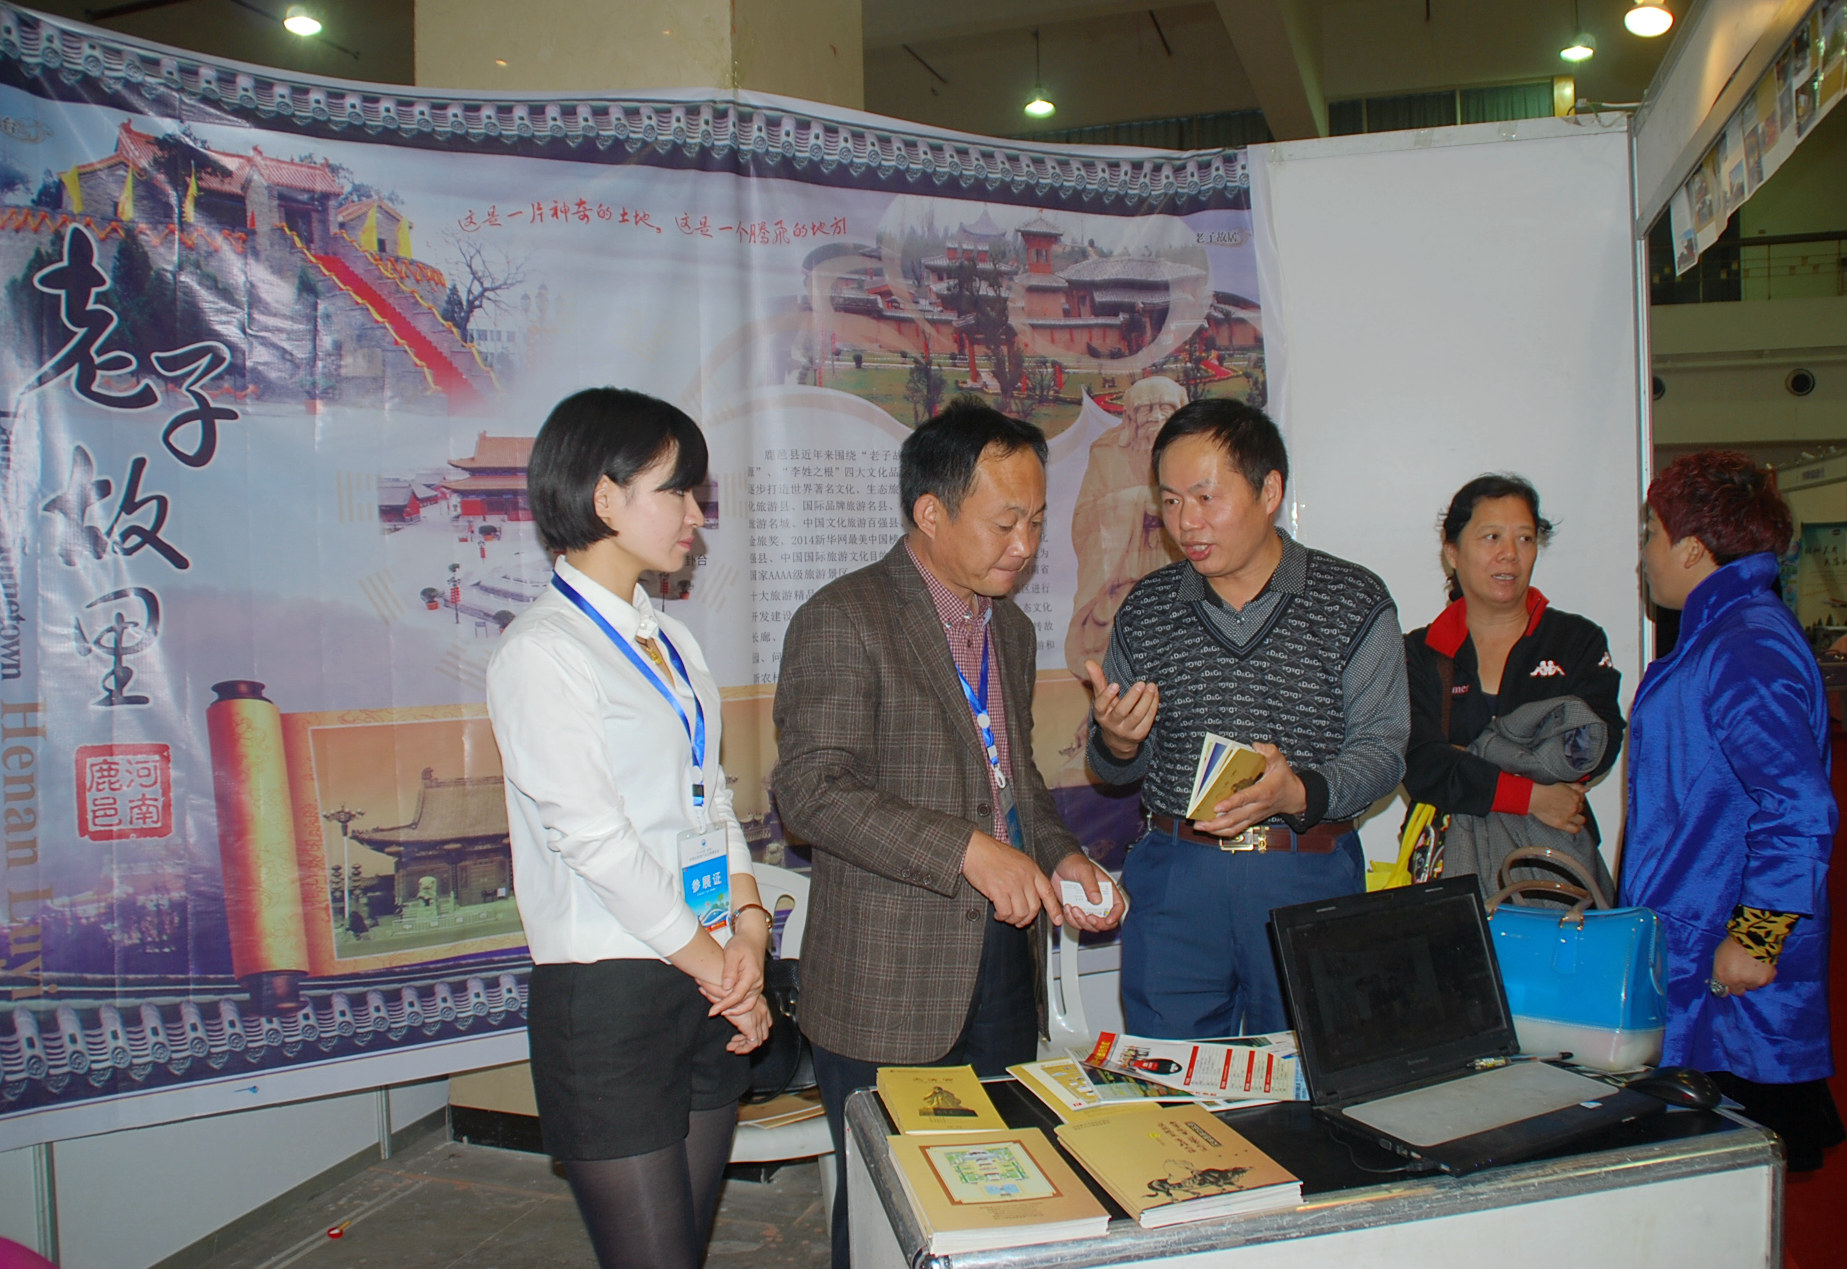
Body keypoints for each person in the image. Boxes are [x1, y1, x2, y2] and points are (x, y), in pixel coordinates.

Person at [773, 400, 1125, 1268]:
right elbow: (811, 793)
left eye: (1035, 520)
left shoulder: (1010, 628)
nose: (1024, 544)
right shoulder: (846, 617)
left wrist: (1062, 855)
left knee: (999, 1201)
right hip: (888, 981)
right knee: (889, 1219)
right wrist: (964, 850)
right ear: (930, 512)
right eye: (1004, 521)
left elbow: (1014, 782)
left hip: (1001, 963)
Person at [485, 388, 772, 1269]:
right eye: (675, 491)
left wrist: (749, 930)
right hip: (609, 994)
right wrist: (715, 961)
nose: (695, 515)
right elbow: (595, 841)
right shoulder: (541, 651)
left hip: (705, 975)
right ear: (605, 498)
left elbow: (709, 802)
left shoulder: (672, 643)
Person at [1086, 397, 1408, 1039]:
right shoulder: (1148, 608)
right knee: (1172, 1077)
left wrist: (1300, 793)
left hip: (1305, 873)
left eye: (1206, 498)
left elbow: (1384, 749)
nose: (1187, 523)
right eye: (1171, 501)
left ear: (1270, 492)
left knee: (1306, 1071)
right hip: (1178, 879)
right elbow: (1113, 769)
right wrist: (1118, 742)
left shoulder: (1351, 599)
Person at [1625, 449, 1842, 1172]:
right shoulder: (1725, 632)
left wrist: (1755, 938)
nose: (1643, 554)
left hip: (1725, 969)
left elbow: (1800, 807)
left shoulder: (1743, 645)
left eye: (1650, 534)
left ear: (1691, 548)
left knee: (1729, 1181)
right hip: (1696, 949)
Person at [1402, 475, 1624, 894]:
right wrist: (1532, 795)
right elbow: (1420, 762)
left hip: (1554, 863)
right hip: (1450, 866)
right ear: (1453, 552)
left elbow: (1599, 741)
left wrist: (1468, 758)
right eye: (1492, 537)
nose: (1510, 554)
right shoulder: (1420, 652)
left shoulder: (1577, 640)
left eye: (1525, 539)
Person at [1064, 374, 1189, 678]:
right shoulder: (1106, 451)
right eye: (1146, 409)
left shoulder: (1194, 452)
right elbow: (1085, 517)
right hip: (1123, 572)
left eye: (1165, 407)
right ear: (1130, 416)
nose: (1155, 416)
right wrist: (1140, 501)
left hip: (1176, 565)